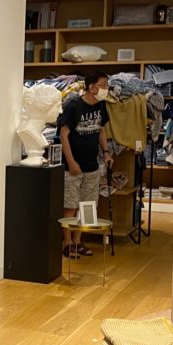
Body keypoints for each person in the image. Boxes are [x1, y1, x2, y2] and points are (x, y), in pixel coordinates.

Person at [59, 71, 114, 257]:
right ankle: (67, 244)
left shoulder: (101, 105)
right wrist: (71, 162)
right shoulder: (74, 106)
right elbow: (63, 135)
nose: (107, 89)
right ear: (92, 87)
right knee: (70, 205)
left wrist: (106, 153)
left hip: (92, 164)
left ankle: (78, 241)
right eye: (104, 85)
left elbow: (101, 130)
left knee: (87, 205)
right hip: (73, 166)